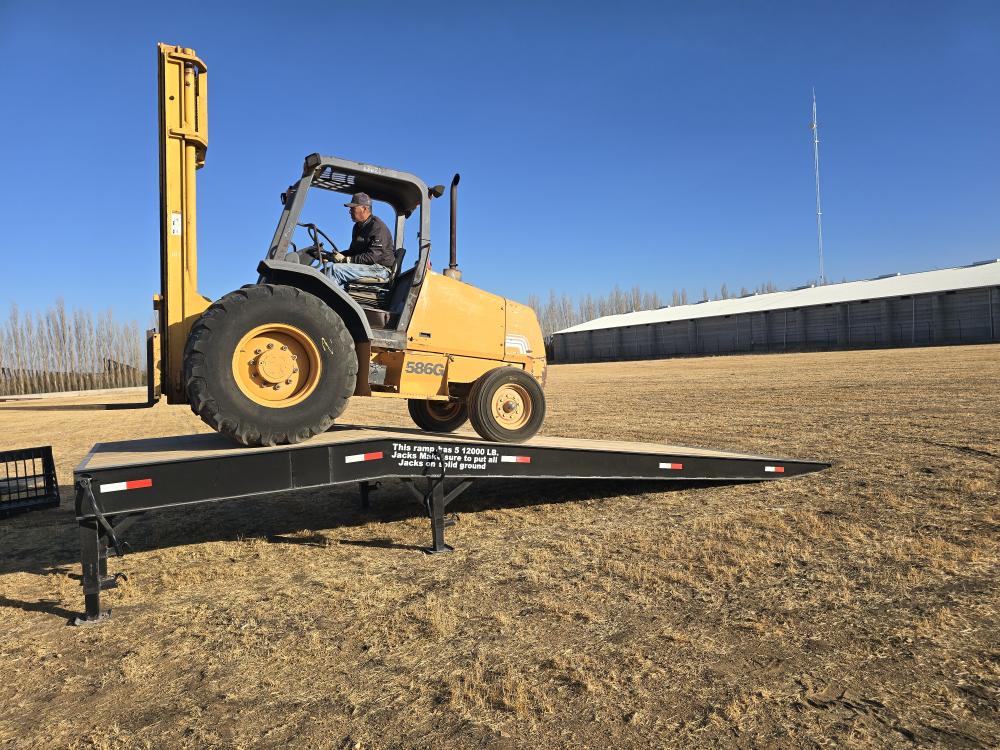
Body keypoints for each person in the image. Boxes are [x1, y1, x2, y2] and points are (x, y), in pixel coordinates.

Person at [324, 193, 396, 288]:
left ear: (364, 208)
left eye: (353, 208)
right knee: (325, 271)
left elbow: (373, 257)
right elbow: (353, 251)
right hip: (368, 266)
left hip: (380, 269)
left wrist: (346, 260)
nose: (350, 212)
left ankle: (323, 300)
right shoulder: (357, 227)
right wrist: (332, 256)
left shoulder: (377, 227)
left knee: (335, 270)